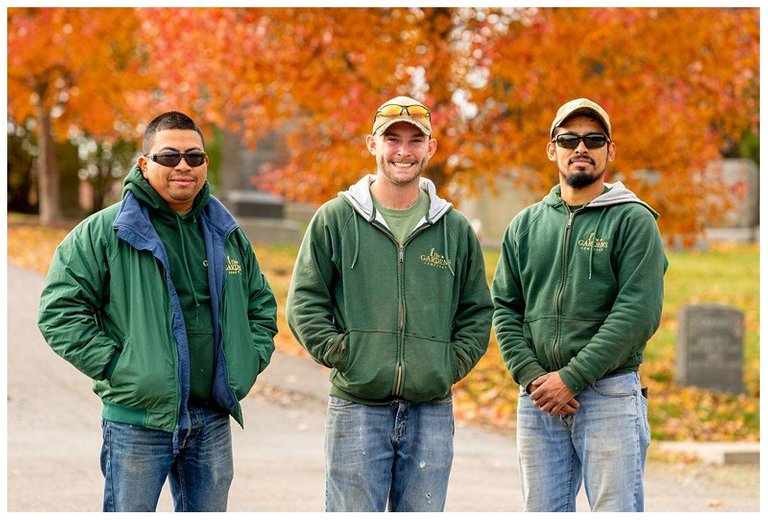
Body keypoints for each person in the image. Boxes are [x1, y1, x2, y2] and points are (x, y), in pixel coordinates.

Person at [38, 111, 278, 512]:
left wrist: (247, 363)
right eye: (169, 156)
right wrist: (119, 366)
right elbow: (59, 311)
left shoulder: (227, 232)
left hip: (212, 417)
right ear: (144, 164)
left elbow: (261, 305)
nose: (183, 165)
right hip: (138, 419)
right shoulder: (105, 232)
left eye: (194, 157)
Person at [286, 95, 493, 512]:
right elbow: (304, 302)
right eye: (392, 139)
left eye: (415, 141)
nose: (403, 151)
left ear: (430, 148)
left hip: (431, 410)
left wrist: (445, 365)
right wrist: (346, 355)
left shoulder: (454, 229)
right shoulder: (335, 218)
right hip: (357, 405)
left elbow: (476, 312)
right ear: (372, 144)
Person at [492, 98, 667, 512]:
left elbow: (638, 313)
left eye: (593, 139)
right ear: (552, 149)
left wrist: (572, 377)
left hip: (608, 394)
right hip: (538, 401)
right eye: (569, 139)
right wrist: (533, 377)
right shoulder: (525, 225)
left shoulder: (632, 220)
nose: (580, 148)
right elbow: (504, 307)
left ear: (610, 150)